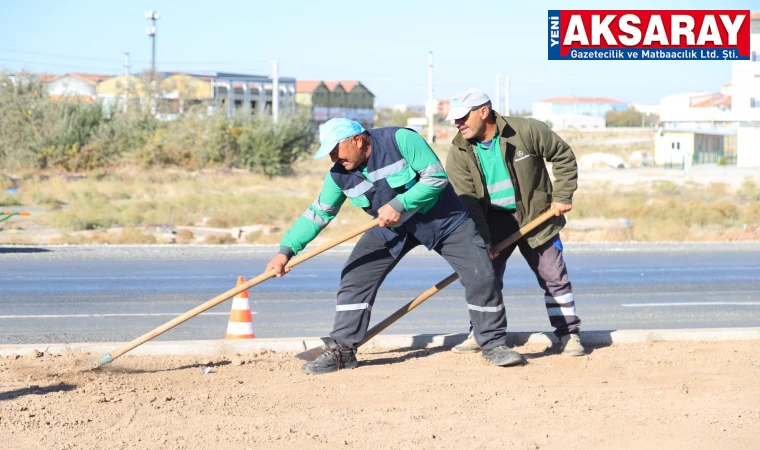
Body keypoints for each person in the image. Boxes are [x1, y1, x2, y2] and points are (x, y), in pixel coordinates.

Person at [266, 118, 526, 374]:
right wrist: (285, 251)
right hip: (391, 228)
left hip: (444, 220)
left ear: (357, 140)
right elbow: (318, 214)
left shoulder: (400, 140)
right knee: (355, 276)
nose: (334, 159)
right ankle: (342, 351)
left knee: (482, 274)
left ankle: (494, 344)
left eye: (336, 150)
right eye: (329, 154)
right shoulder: (338, 175)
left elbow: (435, 177)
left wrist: (400, 204)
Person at [443, 88, 585, 356]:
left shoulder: (526, 130)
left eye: (463, 117)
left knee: (554, 276)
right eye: (455, 119)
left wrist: (563, 195)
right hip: (492, 221)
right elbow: (468, 201)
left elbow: (563, 156)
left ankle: (569, 335)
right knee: (485, 280)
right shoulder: (459, 150)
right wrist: (482, 239)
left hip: (537, 215)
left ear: (484, 112)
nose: (457, 124)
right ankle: (481, 334)